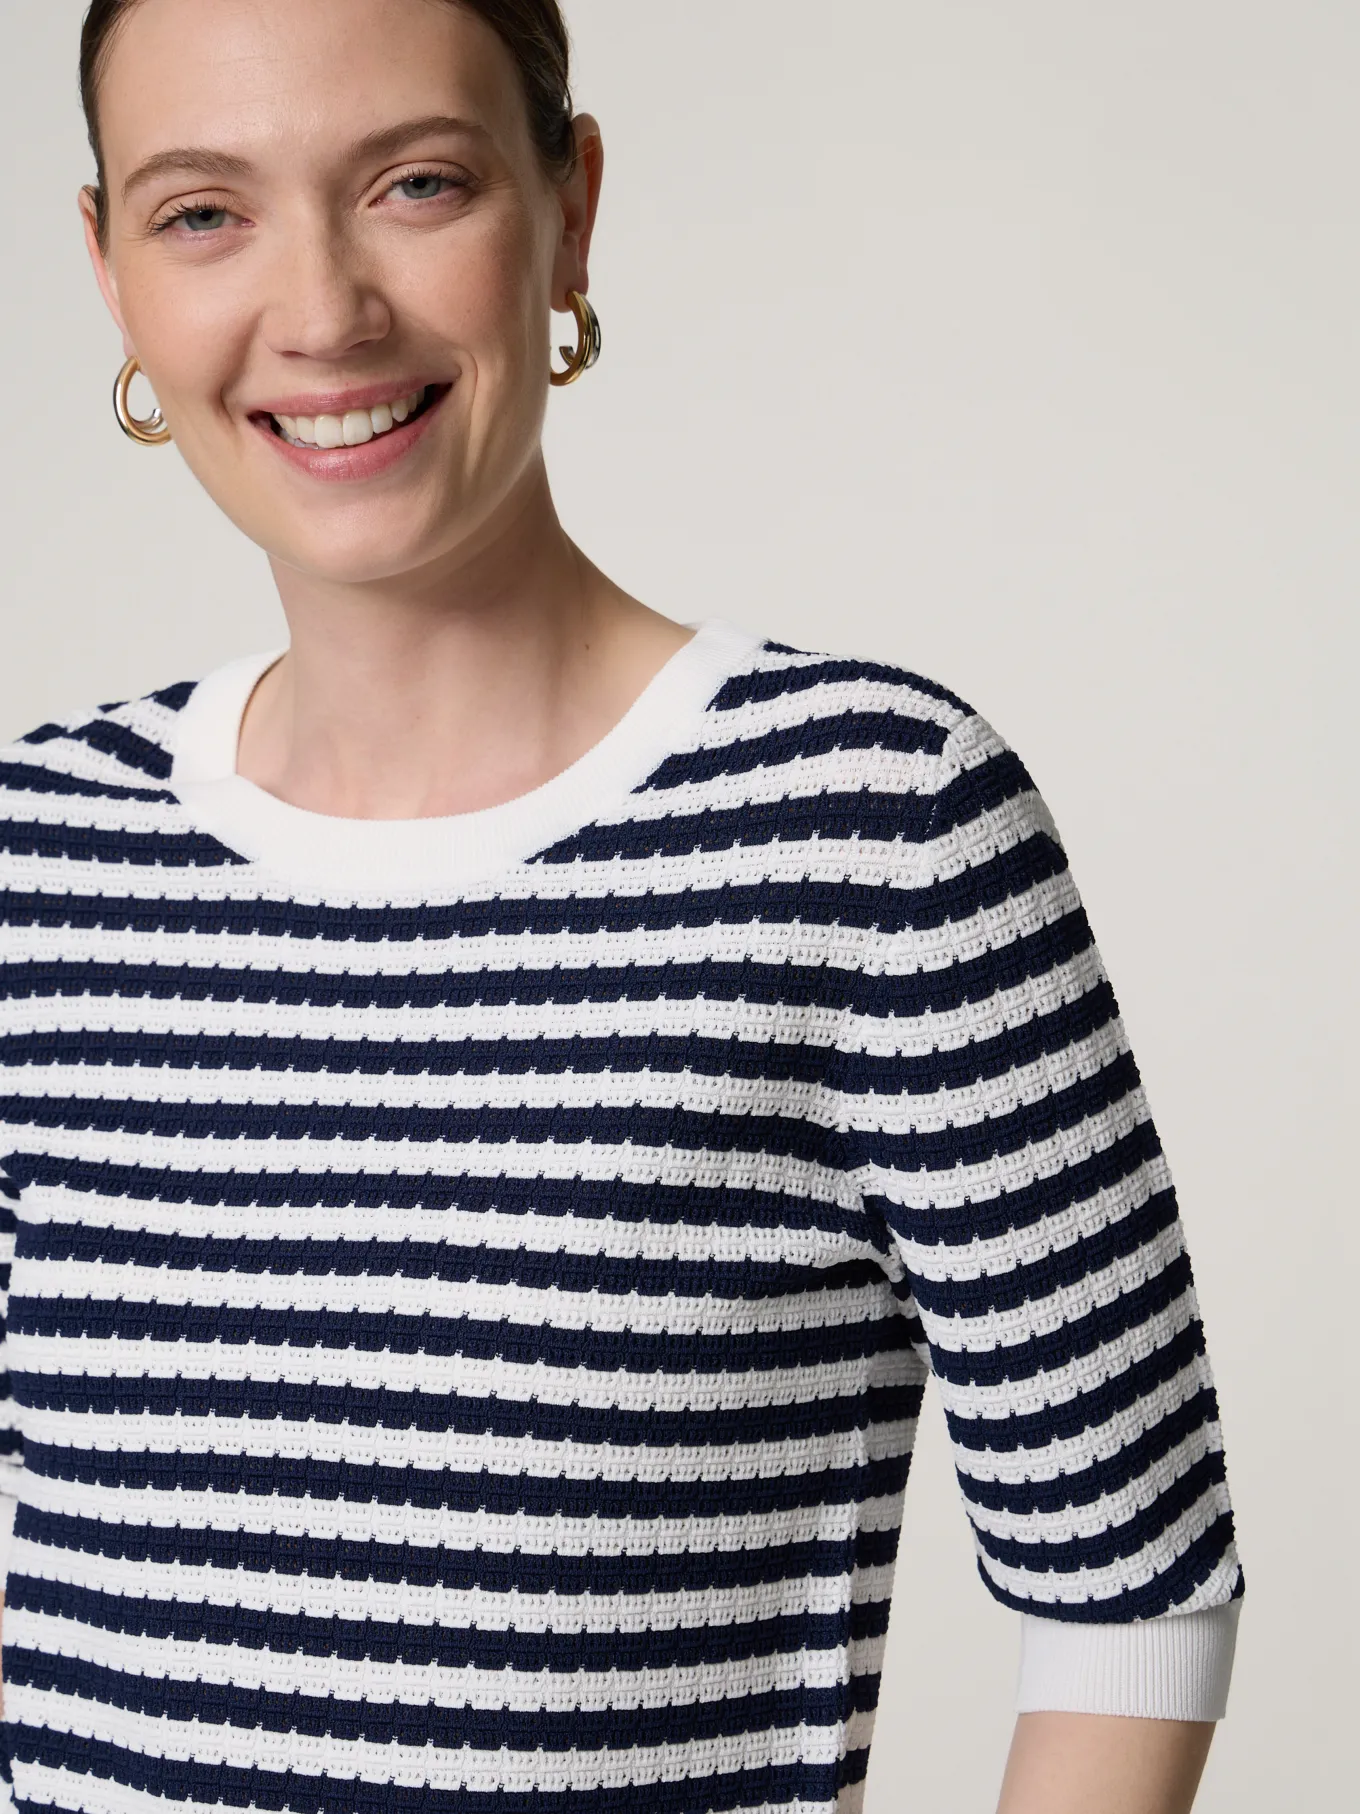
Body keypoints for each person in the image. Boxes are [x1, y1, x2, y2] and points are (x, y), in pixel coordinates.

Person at [0, 2, 1243, 1811]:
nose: (324, 309)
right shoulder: (42, 850)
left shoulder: (873, 823)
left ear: (569, 209)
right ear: (109, 271)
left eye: (417, 184)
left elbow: (1135, 1590)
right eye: (204, 213)